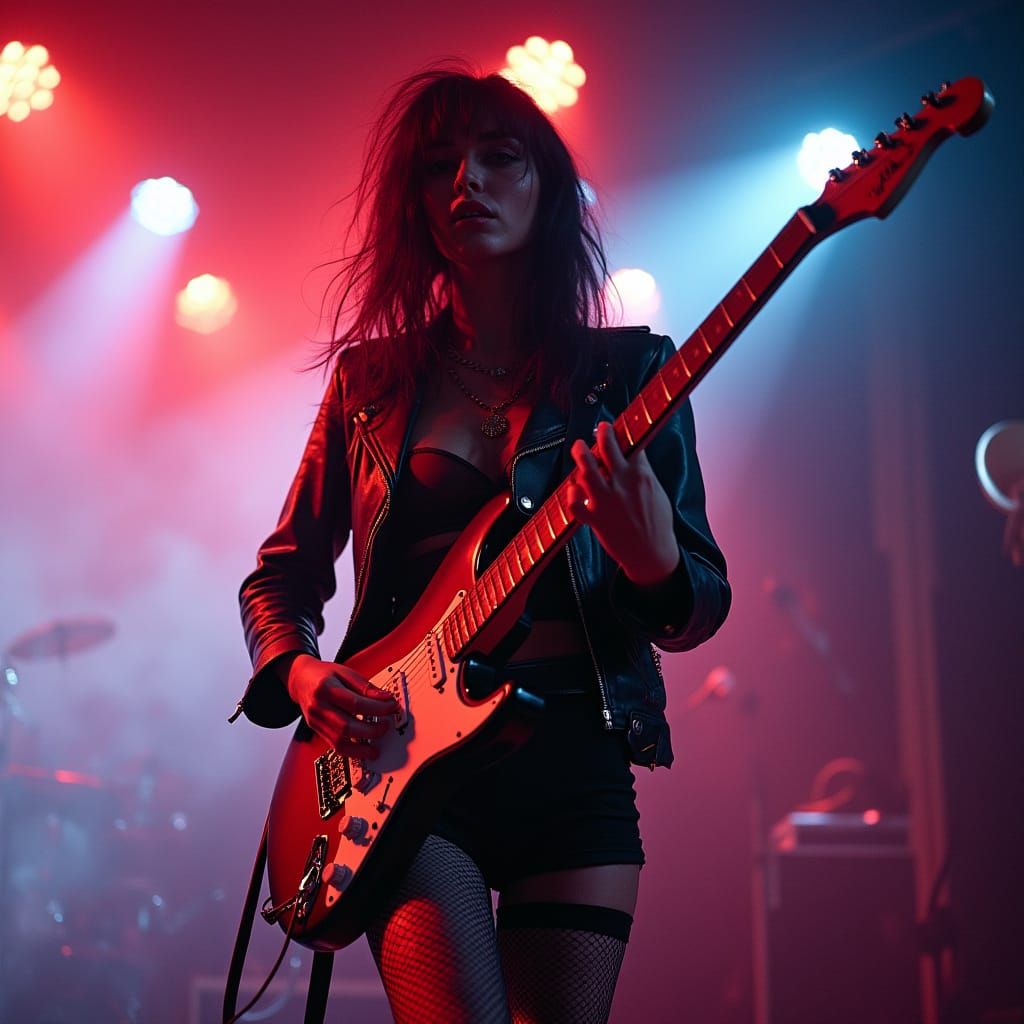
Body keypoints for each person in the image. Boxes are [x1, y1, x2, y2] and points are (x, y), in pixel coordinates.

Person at [235, 65, 730, 1024]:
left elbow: (700, 601)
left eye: (499, 158)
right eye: (439, 167)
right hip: (408, 771)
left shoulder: (629, 374)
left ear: (547, 188)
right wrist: (299, 676)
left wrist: (652, 560)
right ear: (414, 206)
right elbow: (283, 576)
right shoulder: (370, 381)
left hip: (579, 763)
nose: (467, 181)